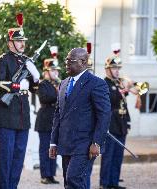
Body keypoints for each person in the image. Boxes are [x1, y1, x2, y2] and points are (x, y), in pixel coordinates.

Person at [49, 48, 111, 189]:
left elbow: (104, 114)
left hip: (85, 144)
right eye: (66, 60)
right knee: (68, 182)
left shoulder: (96, 83)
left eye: (71, 61)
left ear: (83, 62)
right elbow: (58, 115)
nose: (67, 63)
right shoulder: (64, 83)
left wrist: (97, 142)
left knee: (74, 178)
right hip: (66, 142)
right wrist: (53, 142)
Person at [0, 13, 40, 189]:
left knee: (19, 156)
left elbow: (35, 89)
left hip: (22, 115)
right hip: (6, 115)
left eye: (23, 41)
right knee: (7, 155)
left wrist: (35, 78)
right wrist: (18, 86)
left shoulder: (26, 61)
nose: (22, 44)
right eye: (19, 41)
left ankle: (13, 186)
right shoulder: (2, 60)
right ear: (10, 43)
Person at [99, 56, 131, 189]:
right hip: (110, 123)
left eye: (118, 68)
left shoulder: (118, 83)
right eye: (114, 68)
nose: (117, 71)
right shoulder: (104, 83)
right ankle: (105, 183)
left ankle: (114, 182)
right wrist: (121, 91)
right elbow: (110, 100)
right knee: (108, 155)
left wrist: (128, 121)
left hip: (121, 124)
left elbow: (124, 104)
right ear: (107, 69)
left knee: (118, 155)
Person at [35, 46, 60, 184]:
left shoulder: (57, 84)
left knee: (53, 148)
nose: (56, 73)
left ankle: (51, 174)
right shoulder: (43, 84)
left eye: (56, 70)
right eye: (53, 70)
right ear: (46, 71)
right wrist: (58, 92)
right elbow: (45, 98)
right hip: (45, 119)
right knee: (45, 148)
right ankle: (45, 175)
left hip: (55, 120)